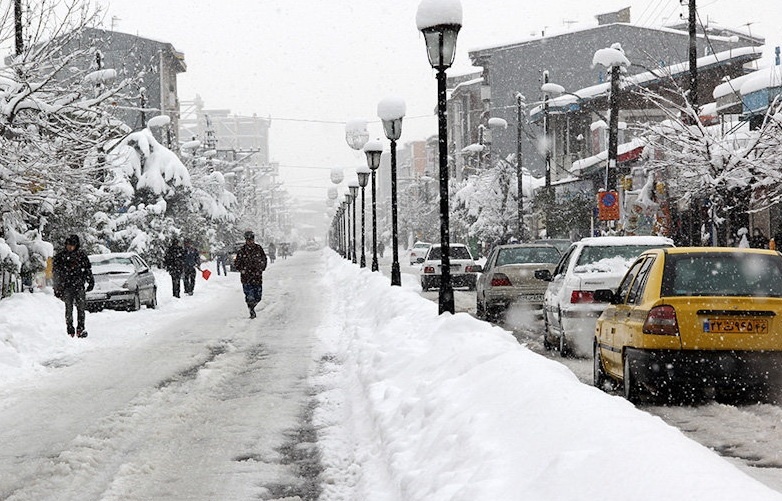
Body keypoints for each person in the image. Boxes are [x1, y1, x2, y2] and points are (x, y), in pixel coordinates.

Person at [52, 234, 94, 338]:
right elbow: (56, 272)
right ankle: (70, 328)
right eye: (68, 245)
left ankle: (80, 328)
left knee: (81, 308)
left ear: (76, 245)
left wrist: (90, 281)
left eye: (72, 245)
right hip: (66, 286)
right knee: (68, 308)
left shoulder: (81, 255)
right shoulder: (61, 256)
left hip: (79, 285)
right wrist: (57, 287)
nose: (70, 247)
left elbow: (87, 269)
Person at [233, 230, 268, 319]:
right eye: (248, 240)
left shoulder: (258, 248)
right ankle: (251, 309)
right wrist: (242, 269)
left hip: (257, 277)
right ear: (245, 240)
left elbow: (264, 259)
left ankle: (252, 306)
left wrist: (261, 268)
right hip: (246, 277)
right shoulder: (242, 251)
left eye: (251, 239)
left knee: (258, 297)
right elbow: (237, 263)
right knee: (249, 296)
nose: (250, 241)